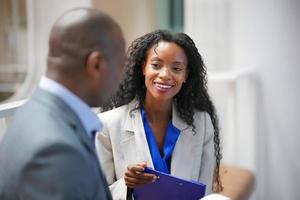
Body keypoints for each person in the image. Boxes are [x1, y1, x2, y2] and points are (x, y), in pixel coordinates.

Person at [0, 7, 125, 200]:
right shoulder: (55, 151)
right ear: (96, 64)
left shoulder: (32, 111)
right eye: (121, 65)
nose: (122, 76)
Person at [96, 30, 223, 200]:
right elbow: (97, 194)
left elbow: (204, 193)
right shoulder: (107, 124)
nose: (165, 75)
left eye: (176, 68)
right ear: (143, 68)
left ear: (186, 75)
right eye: (156, 65)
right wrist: (127, 185)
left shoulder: (202, 123)